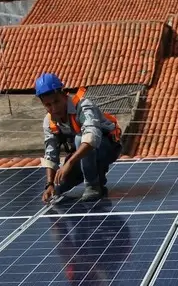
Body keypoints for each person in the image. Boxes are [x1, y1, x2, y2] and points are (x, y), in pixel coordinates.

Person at [36, 73, 122, 203]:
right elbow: (50, 154)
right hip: (82, 155)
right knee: (59, 187)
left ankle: (93, 185)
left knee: (80, 138)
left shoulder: (84, 106)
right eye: (48, 105)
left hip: (108, 147)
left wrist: (69, 163)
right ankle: (96, 178)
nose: (54, 108)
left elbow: (91, 137)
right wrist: (50, 184)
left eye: (56, 101)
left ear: (64, 94)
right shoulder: (49, 121)